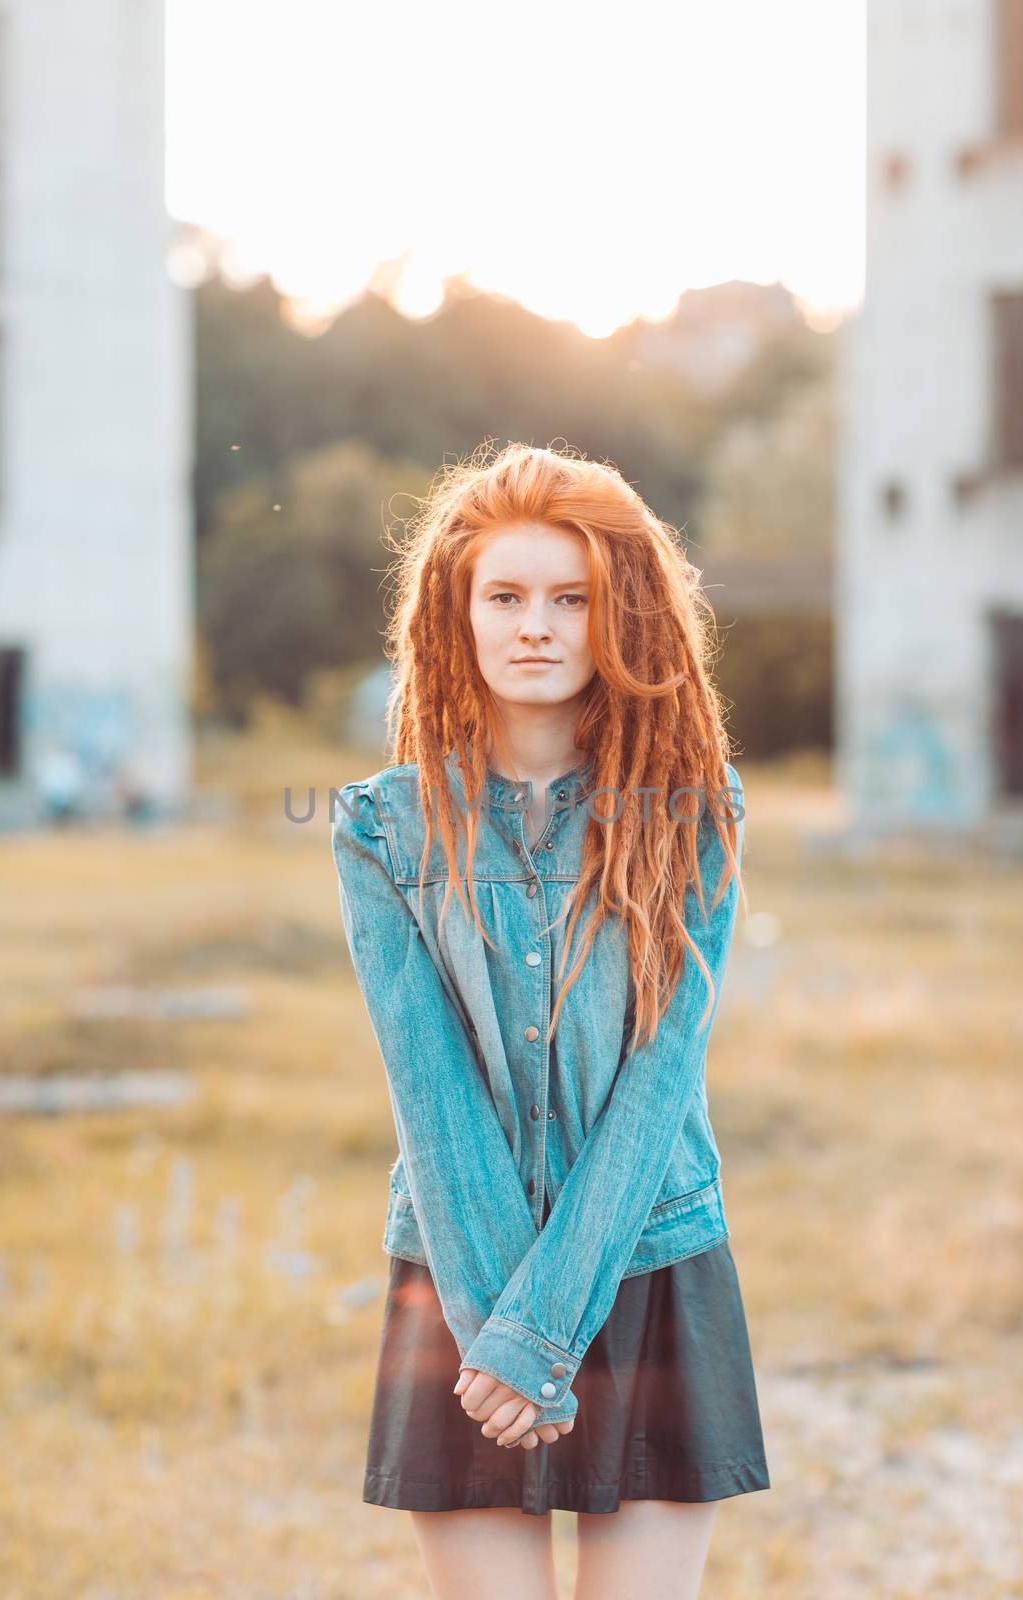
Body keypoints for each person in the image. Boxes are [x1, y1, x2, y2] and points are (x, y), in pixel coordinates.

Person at [331, 441, 769, 1600]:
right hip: (462, 1278)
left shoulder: (693, 815)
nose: (536, 625)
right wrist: (504, 1331)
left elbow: (659, 1074)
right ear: (455, 616)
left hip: (648, 1256)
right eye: (506, 596)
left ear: (615, 614)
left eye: (569, 598)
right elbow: (428, 1091)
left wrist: (546, 1328)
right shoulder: (381, 829)